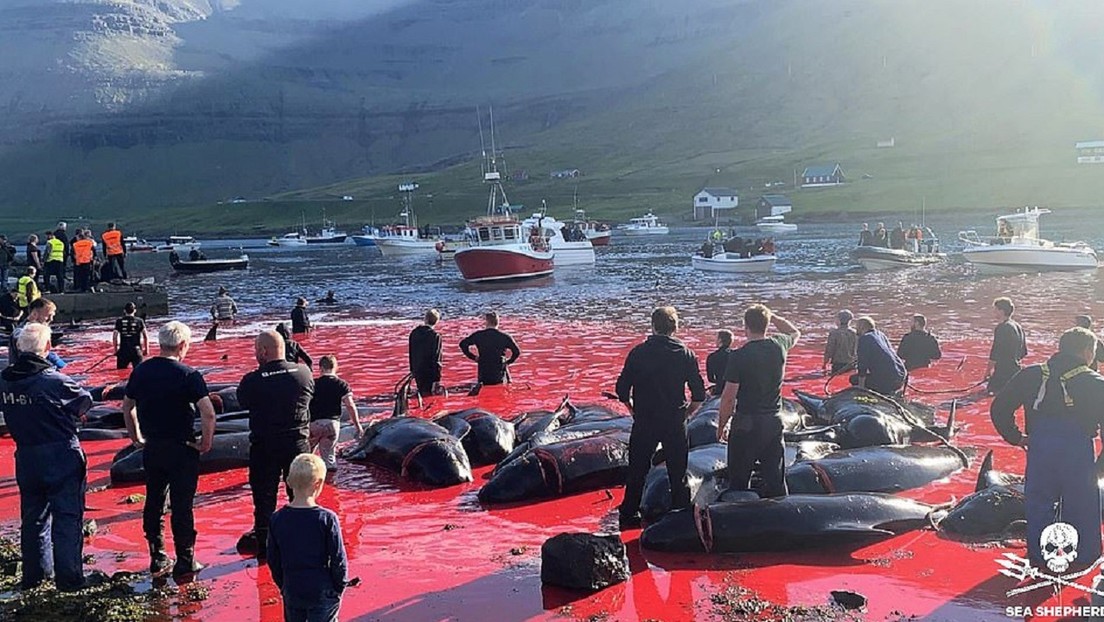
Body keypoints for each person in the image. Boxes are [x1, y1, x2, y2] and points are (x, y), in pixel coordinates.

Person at [990, 328, 1104, 571]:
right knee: (1082, 506)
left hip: (1040, 450)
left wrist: (1016, 437)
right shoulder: (1095, 383)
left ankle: (1041, 558)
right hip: (1078, 453)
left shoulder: (1031, 374)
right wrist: (1101, 466)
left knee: (1039, 504)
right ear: (1087, 352)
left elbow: (999, 408)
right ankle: (1082, 560)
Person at [0, 323, 92, 591]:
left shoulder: (5, 379)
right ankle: (70, 579)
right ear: (48, 348)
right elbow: (84, 402)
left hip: (27, 455)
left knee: (33, 518)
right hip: (60, 452)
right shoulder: (54, 380)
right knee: (67, 518)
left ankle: (35, 576)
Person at [120, 321, 216, 579]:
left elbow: (127, 406)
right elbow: (208, 413)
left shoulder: (141, 371)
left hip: (153, 446)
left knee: (154, 500)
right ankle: (186, 558)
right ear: (183, 345)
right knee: (182, 505)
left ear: (160, 343)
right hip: (182, 446)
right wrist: (206, 443)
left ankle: (157, 554)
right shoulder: (189, 374)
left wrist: (136, 436)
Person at [615, 307, 706, 528]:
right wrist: (687, 413)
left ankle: (629, 514)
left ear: (653, 326)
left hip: (645, 418)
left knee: (637, 468)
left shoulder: (638, 352)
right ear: (674, 328)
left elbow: (621, 389)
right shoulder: (685, 353)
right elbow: (699, 394)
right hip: (674, 419)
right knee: (678, 471)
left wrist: (631, 409)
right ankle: (680, 516)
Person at [236, 330, 315, 557]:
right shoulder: (303, 373)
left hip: (265, 446)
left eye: (255, 350)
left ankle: (265, 548)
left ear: (263, 351)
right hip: (297, 443)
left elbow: (244, 401)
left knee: (263, 499)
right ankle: (302, 544)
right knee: (301, 495)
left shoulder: (253, 379)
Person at [717, 305, 801, 499]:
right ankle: (780, 520)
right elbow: (794, 331)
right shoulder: (778, 345)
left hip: (746, 422)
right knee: (775, 481)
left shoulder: (738, 356)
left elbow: (728, 396)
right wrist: (774, 316)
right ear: (767, 325)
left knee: (739, 482)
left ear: (745, 326)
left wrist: (721, 425)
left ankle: (742, 521)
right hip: (773, 420)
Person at [267, 454, 349, 622]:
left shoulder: (277, 519)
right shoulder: (327, 518)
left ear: (288, 481)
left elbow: (273, 559)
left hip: (292, 587)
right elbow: (338, 559)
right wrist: (339, 586)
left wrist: (283, 585)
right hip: (321, 588)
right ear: (318, 484)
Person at [309, 355, 364, 470]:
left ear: (320, 368)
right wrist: (358, 426)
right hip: (331, 425)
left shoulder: (312, 384)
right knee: (329, 460)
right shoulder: (342, 384)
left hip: (313, 425)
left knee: (307, 458)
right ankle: (330, 483)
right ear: (336, 367)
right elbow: (350, 406)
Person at [459, 312, 520, 387]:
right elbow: (517, 352)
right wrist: (508, 362)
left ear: (486, 322)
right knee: (499, 388)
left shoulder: (479, 335)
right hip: (499, 370)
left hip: (483, 370)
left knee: (483, 386)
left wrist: (473, 357)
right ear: (498, 322)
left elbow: (463, 344)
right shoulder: (504, 337)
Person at [850, 316, 907, 395]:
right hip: (901, 376)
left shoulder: (864, 338)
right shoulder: (881, 335)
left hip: (887, 380)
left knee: (853, 379)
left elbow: (862, 365)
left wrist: (861, 388)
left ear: (861, 327)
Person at [986, 297, 1027, 394]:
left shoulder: (1002, 328)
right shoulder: (1018, 326)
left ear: (1001, 311)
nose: (994, 312)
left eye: (995, 309)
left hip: (1003, 371)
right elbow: (1024, 352)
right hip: (1016, 370)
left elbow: (994, 352)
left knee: (991, 393)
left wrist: (988, 371)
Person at [10, 298, 65, 369]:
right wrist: (60, 364)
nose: (51, 319)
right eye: (48, 315)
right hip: (29, 375)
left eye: (52, 316)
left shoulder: (36, 330)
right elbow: (34, 355)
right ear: (34, 314)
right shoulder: (22, 333)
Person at [408, 309, 443, 397]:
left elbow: (411, 353)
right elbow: (437, 358)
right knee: (429, 396)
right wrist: (437, 378)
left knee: (421, 392)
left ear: (425, 319)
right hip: (429, 372)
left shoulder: (414, 333)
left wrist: (412, 371)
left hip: (417, 370)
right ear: (436, 321)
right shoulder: (435, 336)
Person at [113, 302, 149, 370]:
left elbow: (115, 337)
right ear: (135, 310)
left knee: (120, 373)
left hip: (123, 351)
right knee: (139, 372)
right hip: (136, 350)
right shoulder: (140, 321)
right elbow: (145, 336)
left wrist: (115, 350)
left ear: (124, 310)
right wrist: (146, 350)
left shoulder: (119, 321)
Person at [823, 310, 858, 374]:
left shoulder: (834, 333)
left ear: (838, 320)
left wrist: (825, 363)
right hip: (851, 364)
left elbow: (829, 350)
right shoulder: (855, 333)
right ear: (850, 320)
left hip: (838, 364)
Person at [705, 329, 733, 397]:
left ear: (720, 340)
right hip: (734, 390)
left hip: (719, 390)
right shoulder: (736, 355)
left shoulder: (712, 357)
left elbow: (710, 379)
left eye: (716, 338)